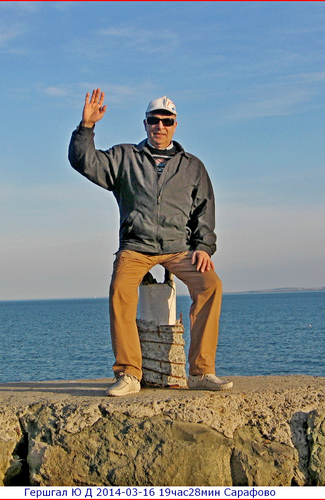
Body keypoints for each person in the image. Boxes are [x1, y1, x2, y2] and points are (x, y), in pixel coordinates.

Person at [68, 89, 232, 396]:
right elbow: (84, 161)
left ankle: (201, 372)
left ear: (175, 124)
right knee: (120, 291)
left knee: (211, 285)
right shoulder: (124, 157)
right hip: (135, 246)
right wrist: (86, 127)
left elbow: (204, 210)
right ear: (145, 124)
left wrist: (203, 247)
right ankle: (129, 373)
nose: (160, 126)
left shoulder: (191, 166)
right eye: (154, 121)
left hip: (179, 248)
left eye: (166, 121)